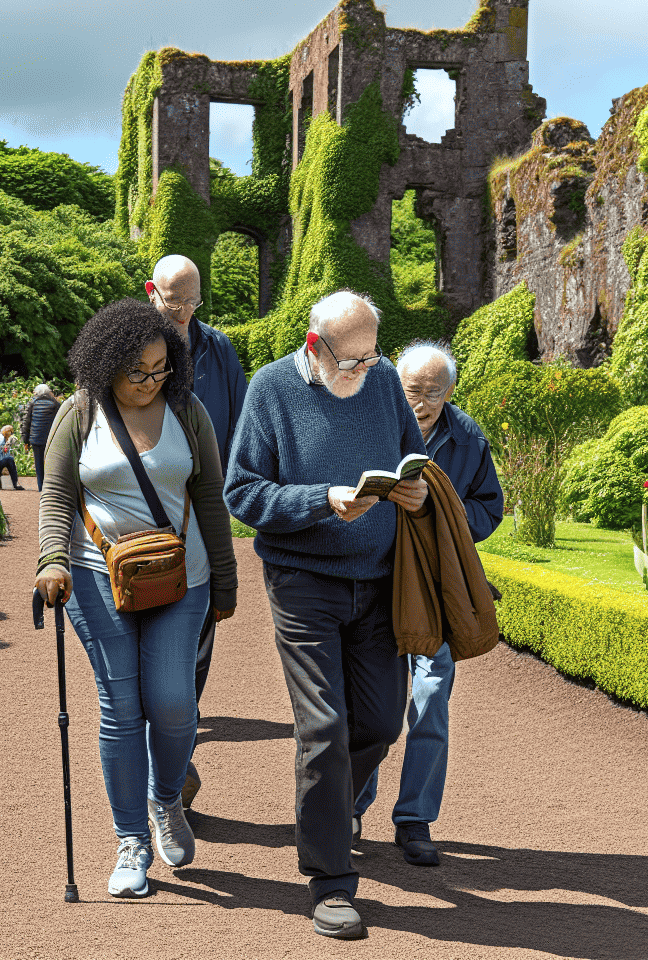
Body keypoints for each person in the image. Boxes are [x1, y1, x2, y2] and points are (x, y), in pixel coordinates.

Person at [224, 289, 429, 940]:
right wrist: (322, 498)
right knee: (324, 727)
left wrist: (415, 491)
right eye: (354, 361)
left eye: (374, 357)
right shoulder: (271, 389)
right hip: (302, 581)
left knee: (378, 724)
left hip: (378, 580)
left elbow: (407, 459)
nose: (368, 370)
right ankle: (331, 882)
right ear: (315, 347)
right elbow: (242, 492)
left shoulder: (386, 380)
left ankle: (331, 804)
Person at [35, 298, 239, 899]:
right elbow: (55, 495)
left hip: (184, 576)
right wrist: (50, 560)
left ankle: (166, 798)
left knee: (175, 703)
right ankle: (131, 840)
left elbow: (210, 498)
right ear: (106, 367)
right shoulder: (78, 414)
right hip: (95, 571)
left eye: (160, 369)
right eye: (137, 372)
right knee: (122, 706)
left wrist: (224, 580)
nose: (151, 382)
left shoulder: (187, 409)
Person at [354, 340, 504, 865]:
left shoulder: (467, 438)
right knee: (373, 705)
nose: (419, 403)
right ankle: (351, 805)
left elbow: (490, 508)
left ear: (451, 392)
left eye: (432, 394)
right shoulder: (368, 422)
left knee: (431, 698)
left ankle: (414, 820)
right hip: (375, 583)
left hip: (435, 590)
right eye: (411, 391)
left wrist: (446, 519)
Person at [147, 254, 250, 811]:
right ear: (151, 292)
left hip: (203, 521)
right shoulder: (125, 343)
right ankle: (169, 769)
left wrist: (227, 501)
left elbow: (235, 431)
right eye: (174, 300)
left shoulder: (220, 350)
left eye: (193, 301)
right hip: (142, 521)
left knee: (199, 647)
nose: (185, 312)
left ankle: (175, 748)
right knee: (150, 646)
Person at [20, 383, 62, 491]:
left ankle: (41, 488)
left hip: (36, 439)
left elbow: (26, 422)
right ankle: (50, 488)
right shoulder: (55, 403)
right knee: (50, 464)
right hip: (50, 439)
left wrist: (25, 441)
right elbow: (59, 422)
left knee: (39, 465)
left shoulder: (33, 403)